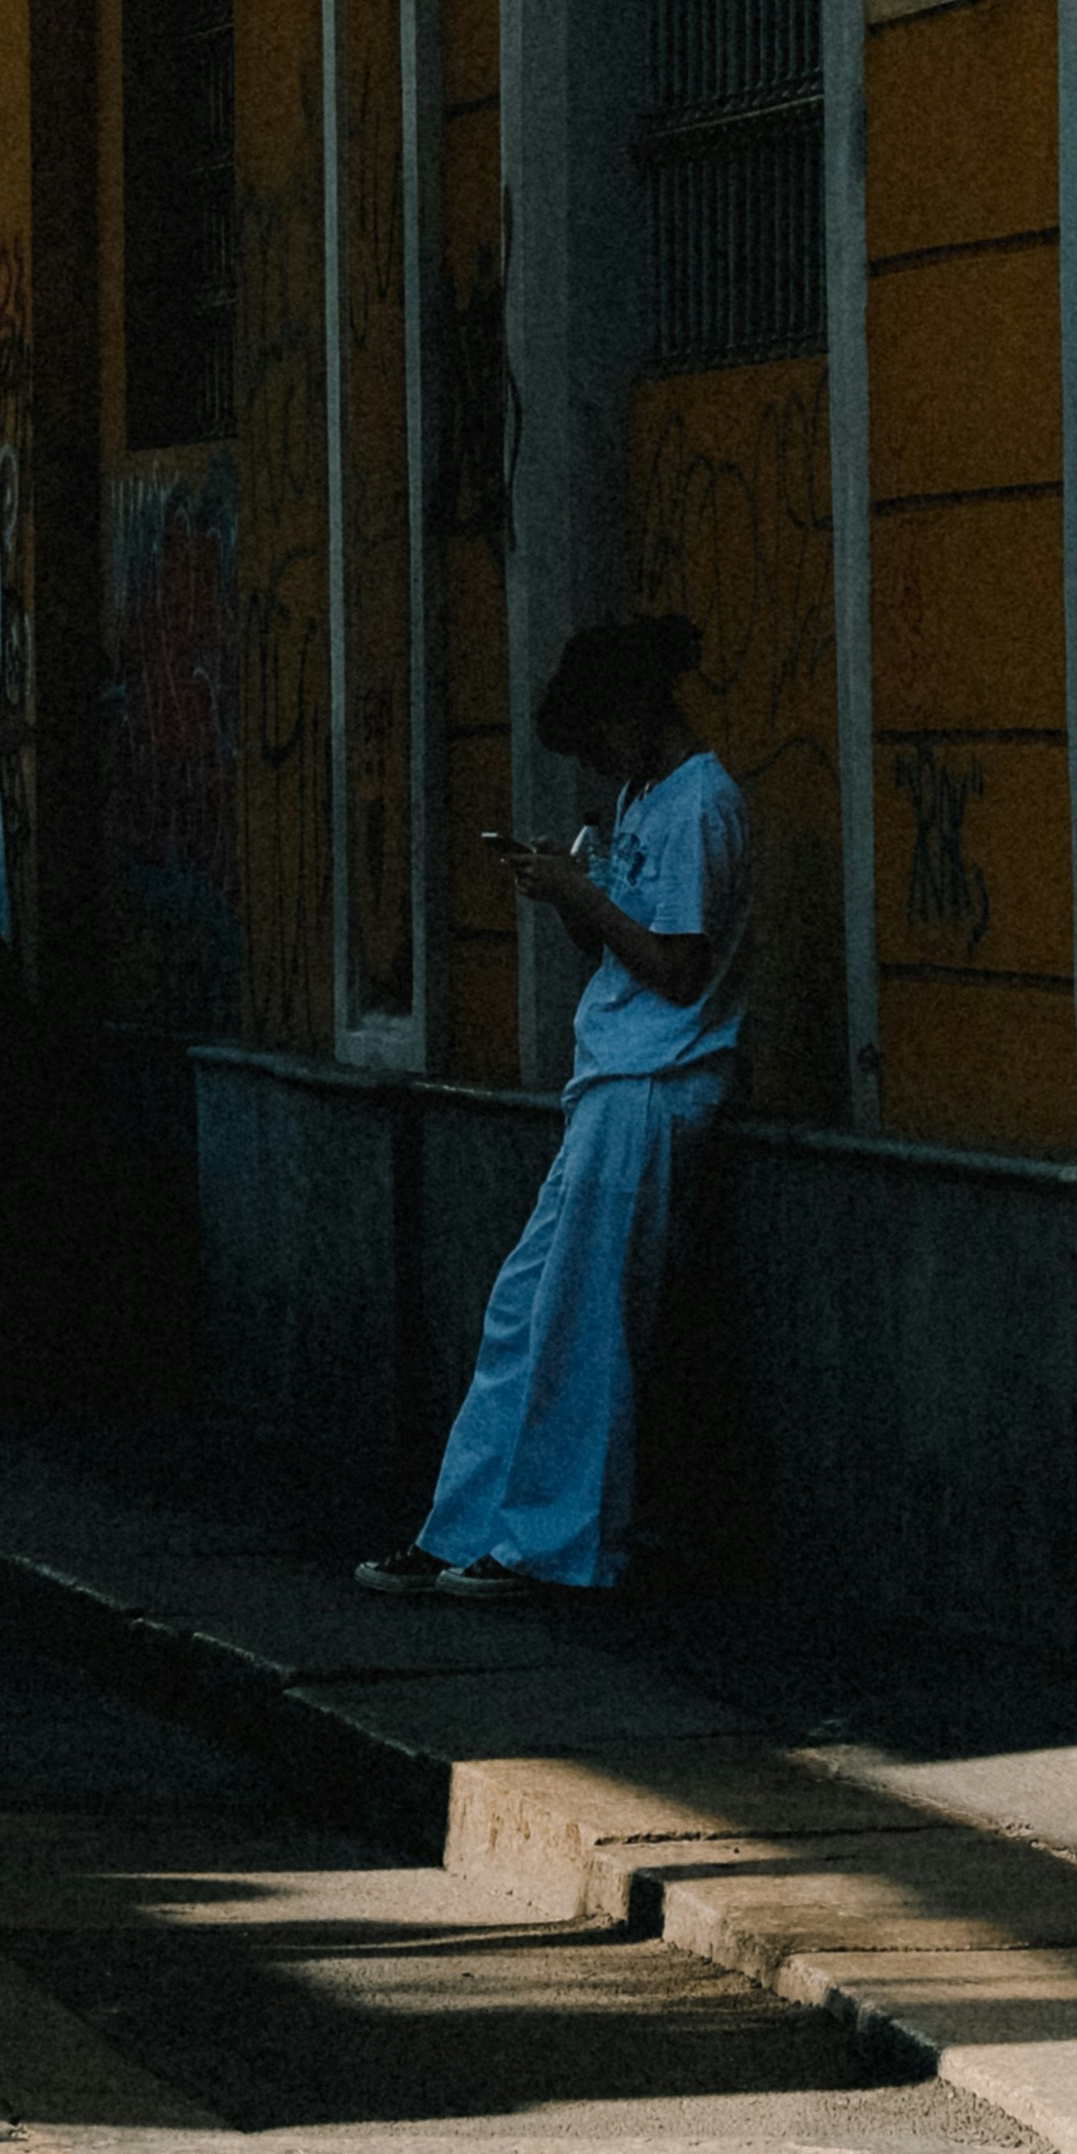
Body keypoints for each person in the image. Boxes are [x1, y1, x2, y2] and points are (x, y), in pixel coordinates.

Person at [359, 612, 748, 1597]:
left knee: (582, 1325)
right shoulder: (640, 795)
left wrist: (582, 896)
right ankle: (462, 1529)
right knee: (524, 1311)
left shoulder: (702, 804)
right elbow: (622, 947)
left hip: (654, 1084)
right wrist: (574, 890)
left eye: (596, 736)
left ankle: (554, 1545)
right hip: (611, 1079)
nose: (592, 760)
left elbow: (680, 970)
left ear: (635, 709)